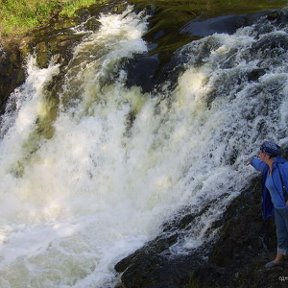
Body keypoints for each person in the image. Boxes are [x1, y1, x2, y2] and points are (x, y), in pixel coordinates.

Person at [249, 141, 288, 268]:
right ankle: (279, 258)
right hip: (278, 209)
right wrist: (250, 160)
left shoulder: (283, 167)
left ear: (267, 154)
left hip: (286, 208)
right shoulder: (267, 167)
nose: (259, 154)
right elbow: (258, 164)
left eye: (260, 152)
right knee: (281, 233)